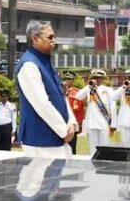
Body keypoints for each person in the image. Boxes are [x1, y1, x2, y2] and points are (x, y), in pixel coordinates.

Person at [14, 20, 78, 159]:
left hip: (57, 137)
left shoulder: (45, 62)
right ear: (35, 38)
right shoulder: (29, 65)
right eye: (50, 37)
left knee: (57, 179)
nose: (54, 40)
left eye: (54, 37)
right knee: (42, 180)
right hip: (40, 140)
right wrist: (64, 131)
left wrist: (72, 124)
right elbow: (42, 104)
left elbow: (61, 96)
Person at [76, 69, 115, 156]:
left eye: (98, 78)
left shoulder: (108, 90)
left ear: (103, 79)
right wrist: (88, 86)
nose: (96, 79)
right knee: (93, 148)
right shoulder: (88, 89)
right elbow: (78, 97)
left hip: (104, 123)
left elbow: (113, 108)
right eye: (94, 77)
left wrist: (113, 124)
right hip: (92, 122)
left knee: (105, 147)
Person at [60, 71, 83, 154]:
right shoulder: (58, 91)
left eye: (69, 79)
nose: (67, 81)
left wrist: (79, 123)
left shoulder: (77, 93)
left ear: (73, 81)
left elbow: (80, 110)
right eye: (65, 79)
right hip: (60, 123)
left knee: (72, 148)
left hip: (72, 124)